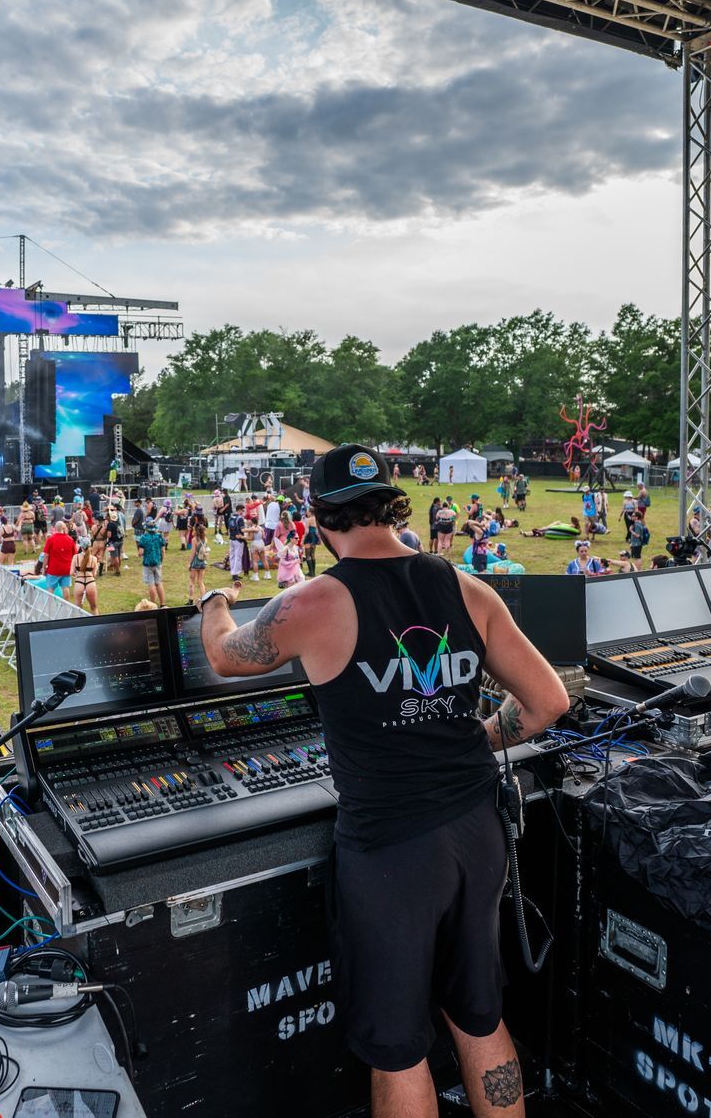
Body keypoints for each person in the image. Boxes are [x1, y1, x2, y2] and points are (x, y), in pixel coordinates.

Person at [197, 445, 568, 1118]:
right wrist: (476, 738)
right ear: (393, 504)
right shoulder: (467, 587)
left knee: (397, 1046)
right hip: (477, 834)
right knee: (479, 1017)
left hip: (394, 853)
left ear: (317, 517)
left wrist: (215, 599)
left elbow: (226, 653)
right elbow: (547, 701)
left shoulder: (314, 600)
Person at [135, 519, 167, 607]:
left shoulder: (144, 537)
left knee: (151, 584)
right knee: (159, 583)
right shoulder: (159, 536)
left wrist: (139, 554)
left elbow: (141, 552)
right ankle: (162, 603)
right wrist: (161, 561)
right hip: (157, 562)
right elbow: (163, 551)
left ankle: (153, 604)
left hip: (147, 563)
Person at [42, 521, 76, 595]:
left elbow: (46, 556)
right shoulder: (70, 539)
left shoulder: (50, 539)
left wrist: (44, 568)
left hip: (53, 569)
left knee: (50, 588)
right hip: (66, 569)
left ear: (55, 528)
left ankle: (50, 605)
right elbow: (74, 555)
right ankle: (66, 604)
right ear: (63, 528)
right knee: (65, 587)